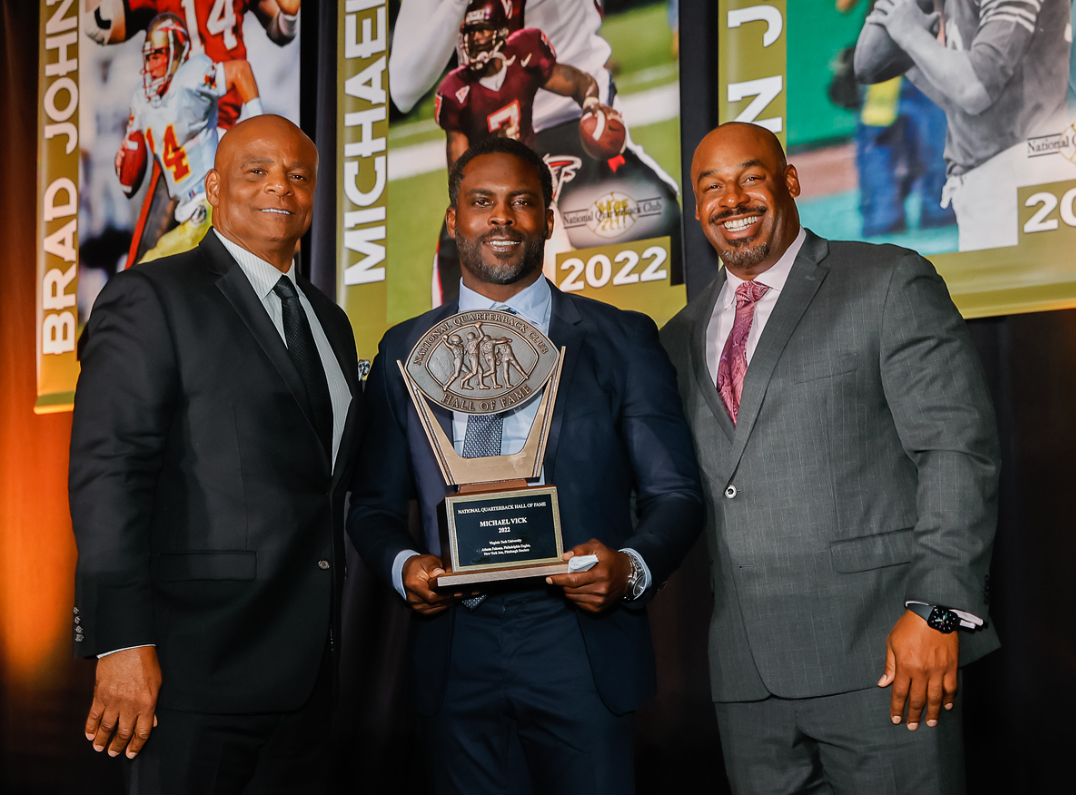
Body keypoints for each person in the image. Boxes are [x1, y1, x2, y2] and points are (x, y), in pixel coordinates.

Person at [347, 136, 703, 794]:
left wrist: (629, 569)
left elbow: (675, 492)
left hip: (579, 637)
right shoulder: (403, 350)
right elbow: (370, 504)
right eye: (482, 202)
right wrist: (403, 566)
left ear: (547, 214)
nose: (501, 218)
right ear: (454, 219)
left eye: (521, 202)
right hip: (456, 644)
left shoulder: (620, 338)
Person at [661, 122, 1000, 794]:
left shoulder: (887, 281)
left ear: (789, 181)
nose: (732, 198)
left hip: (884, 655)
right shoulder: (677, 337)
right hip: (747, 680)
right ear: (697, 209)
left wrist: (937, 609)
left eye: (750, 176)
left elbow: (957, 452)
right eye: (711, 187)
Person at [70, 115, 362, 793]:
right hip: (190, 672)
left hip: (308, 681)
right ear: (214, 184)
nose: (279, 188)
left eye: (297, 174)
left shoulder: (332, 322)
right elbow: (110, 472)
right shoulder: (150, 296)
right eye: (255, 171)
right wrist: (119, 641)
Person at [390, 0, 683, 303]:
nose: (477, 41)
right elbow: (403, 88)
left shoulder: (526, 50)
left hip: (569, 123)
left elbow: (577, 82)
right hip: (493, 153)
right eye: (472, 33)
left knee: (658, 239)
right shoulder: (458, 89)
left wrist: (593, 103)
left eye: (484, 32)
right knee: (463, 315)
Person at [854, 0, 1071, 251]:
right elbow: (867, 63)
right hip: (986, 185)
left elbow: (974, 89)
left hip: (1022, 182)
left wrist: (911, 34)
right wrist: (915, 54)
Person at [117, 13, 262, 263]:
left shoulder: (191, 77)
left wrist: (260, 122)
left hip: (210, 202)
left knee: (148, 270)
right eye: (150, 57)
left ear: (176, 53)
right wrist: (126, 157)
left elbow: (240, 70)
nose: (153, 66)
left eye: (159, 56)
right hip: (186, 210)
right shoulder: (141, 98)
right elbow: (130, 162)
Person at [84, 0, 301, 129]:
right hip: (220, 117)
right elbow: (282, 29)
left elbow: (98, 26)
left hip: (188, 120)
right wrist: (289, 15)